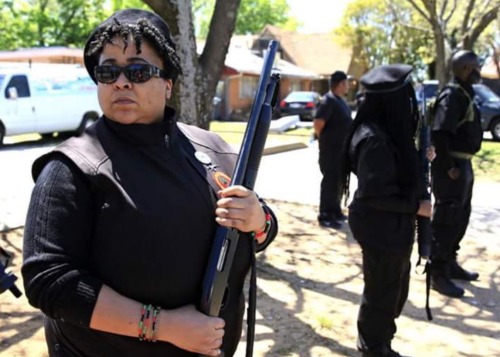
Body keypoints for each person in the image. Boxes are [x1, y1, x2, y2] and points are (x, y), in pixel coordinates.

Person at [21, 9, 277, 357]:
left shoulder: (214, 150)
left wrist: (258, 221)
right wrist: (165, 326)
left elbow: (257, 235)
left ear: (168, 84)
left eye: (139, 71)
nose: (122, 82)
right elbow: (49, 281)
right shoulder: (71, 166)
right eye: (108, 71)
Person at [340, 64, 432, 357]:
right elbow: (373, 195)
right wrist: (415, 206)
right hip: (380, 226)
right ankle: (372, 346)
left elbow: (394, 172)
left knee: (394, 289)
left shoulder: (384, 133)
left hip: (391, 224)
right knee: (382, 291)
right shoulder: (373, 139)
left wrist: (420, 159)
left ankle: (381, 341)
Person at [429, 50, 483, 298]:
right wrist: (449, 166)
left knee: (460, 217)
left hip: (464, 165)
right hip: (451, 168)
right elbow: (440, 134)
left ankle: (449, 262)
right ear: (464, 69)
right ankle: (437, 273)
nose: (478, 71)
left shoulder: (465, 92)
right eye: (475, 67)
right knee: (446, 218)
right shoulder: (451, 95)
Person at [314, 70, 352, 229]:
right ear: (341, 84)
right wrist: (326, 142)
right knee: (330, 182)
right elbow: (318, 123)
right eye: (346, 82)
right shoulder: (328, 101)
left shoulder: (340, 101)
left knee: (339, 182)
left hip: (342, 151)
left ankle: (335, 211)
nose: (348, 85)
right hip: (331, 151)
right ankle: (325, 215)